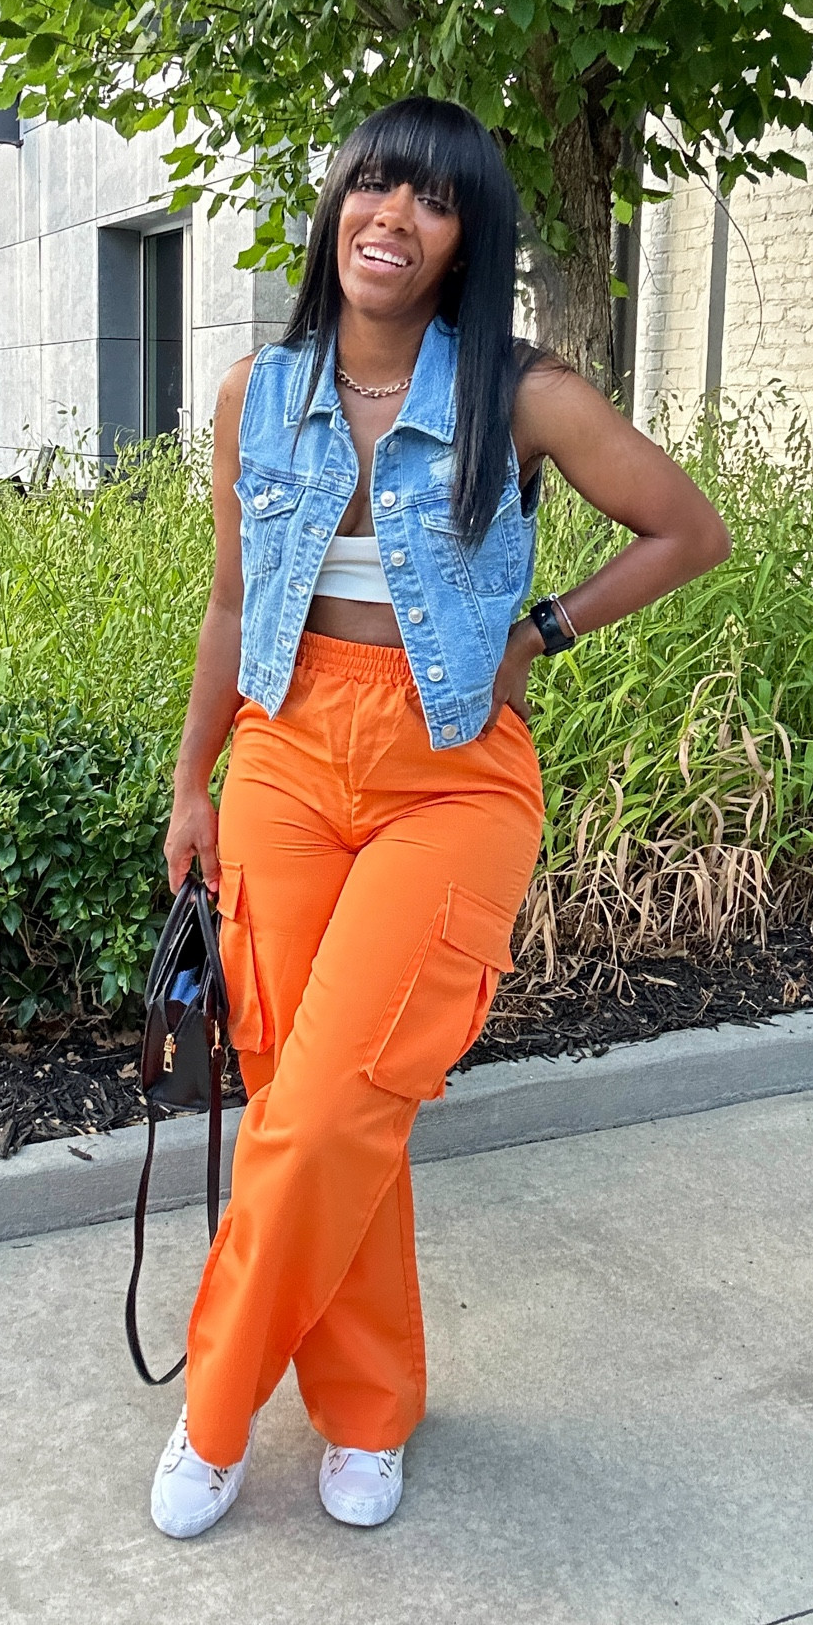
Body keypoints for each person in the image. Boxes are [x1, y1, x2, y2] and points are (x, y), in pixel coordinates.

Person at [152, 96, 730, 1538]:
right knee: (310, 1104)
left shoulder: (519, 397)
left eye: (430, 200)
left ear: (467, 238)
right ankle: (365, 1410)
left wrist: (545, 625)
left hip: (450, 771)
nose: (390, 218)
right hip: (285, 762)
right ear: (334, 207)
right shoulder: (255, 394)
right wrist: (191, 781)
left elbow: (688, 530)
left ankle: (213, 1415)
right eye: (370, 186)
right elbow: (233, 604)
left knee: (342, 1096)